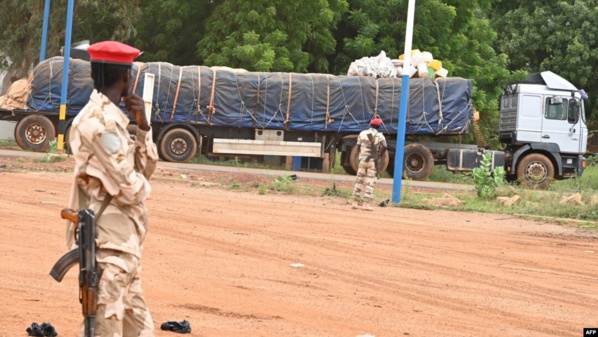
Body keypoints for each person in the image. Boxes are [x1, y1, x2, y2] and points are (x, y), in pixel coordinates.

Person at [65, 41, 158, 336]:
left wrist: (143, 127)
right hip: (110, 248)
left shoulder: (113, 120)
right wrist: (142, 185)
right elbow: (133, 187)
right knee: (104, 329)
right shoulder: (99, 123)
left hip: (125, 248)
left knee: (141, 332)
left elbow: (143, 171)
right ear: (126, 77)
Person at [351, 117, 387, 211]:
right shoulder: (379, 135)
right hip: (372, 162)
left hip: (363, 160)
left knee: (359, 180)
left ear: (370, 124)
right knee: (370, 182)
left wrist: (361, 154)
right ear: (379, 126)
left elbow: (358, 147)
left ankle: (354, 202)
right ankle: (366, 204)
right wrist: (379, 155)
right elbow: (385, 146)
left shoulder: (362, 133)